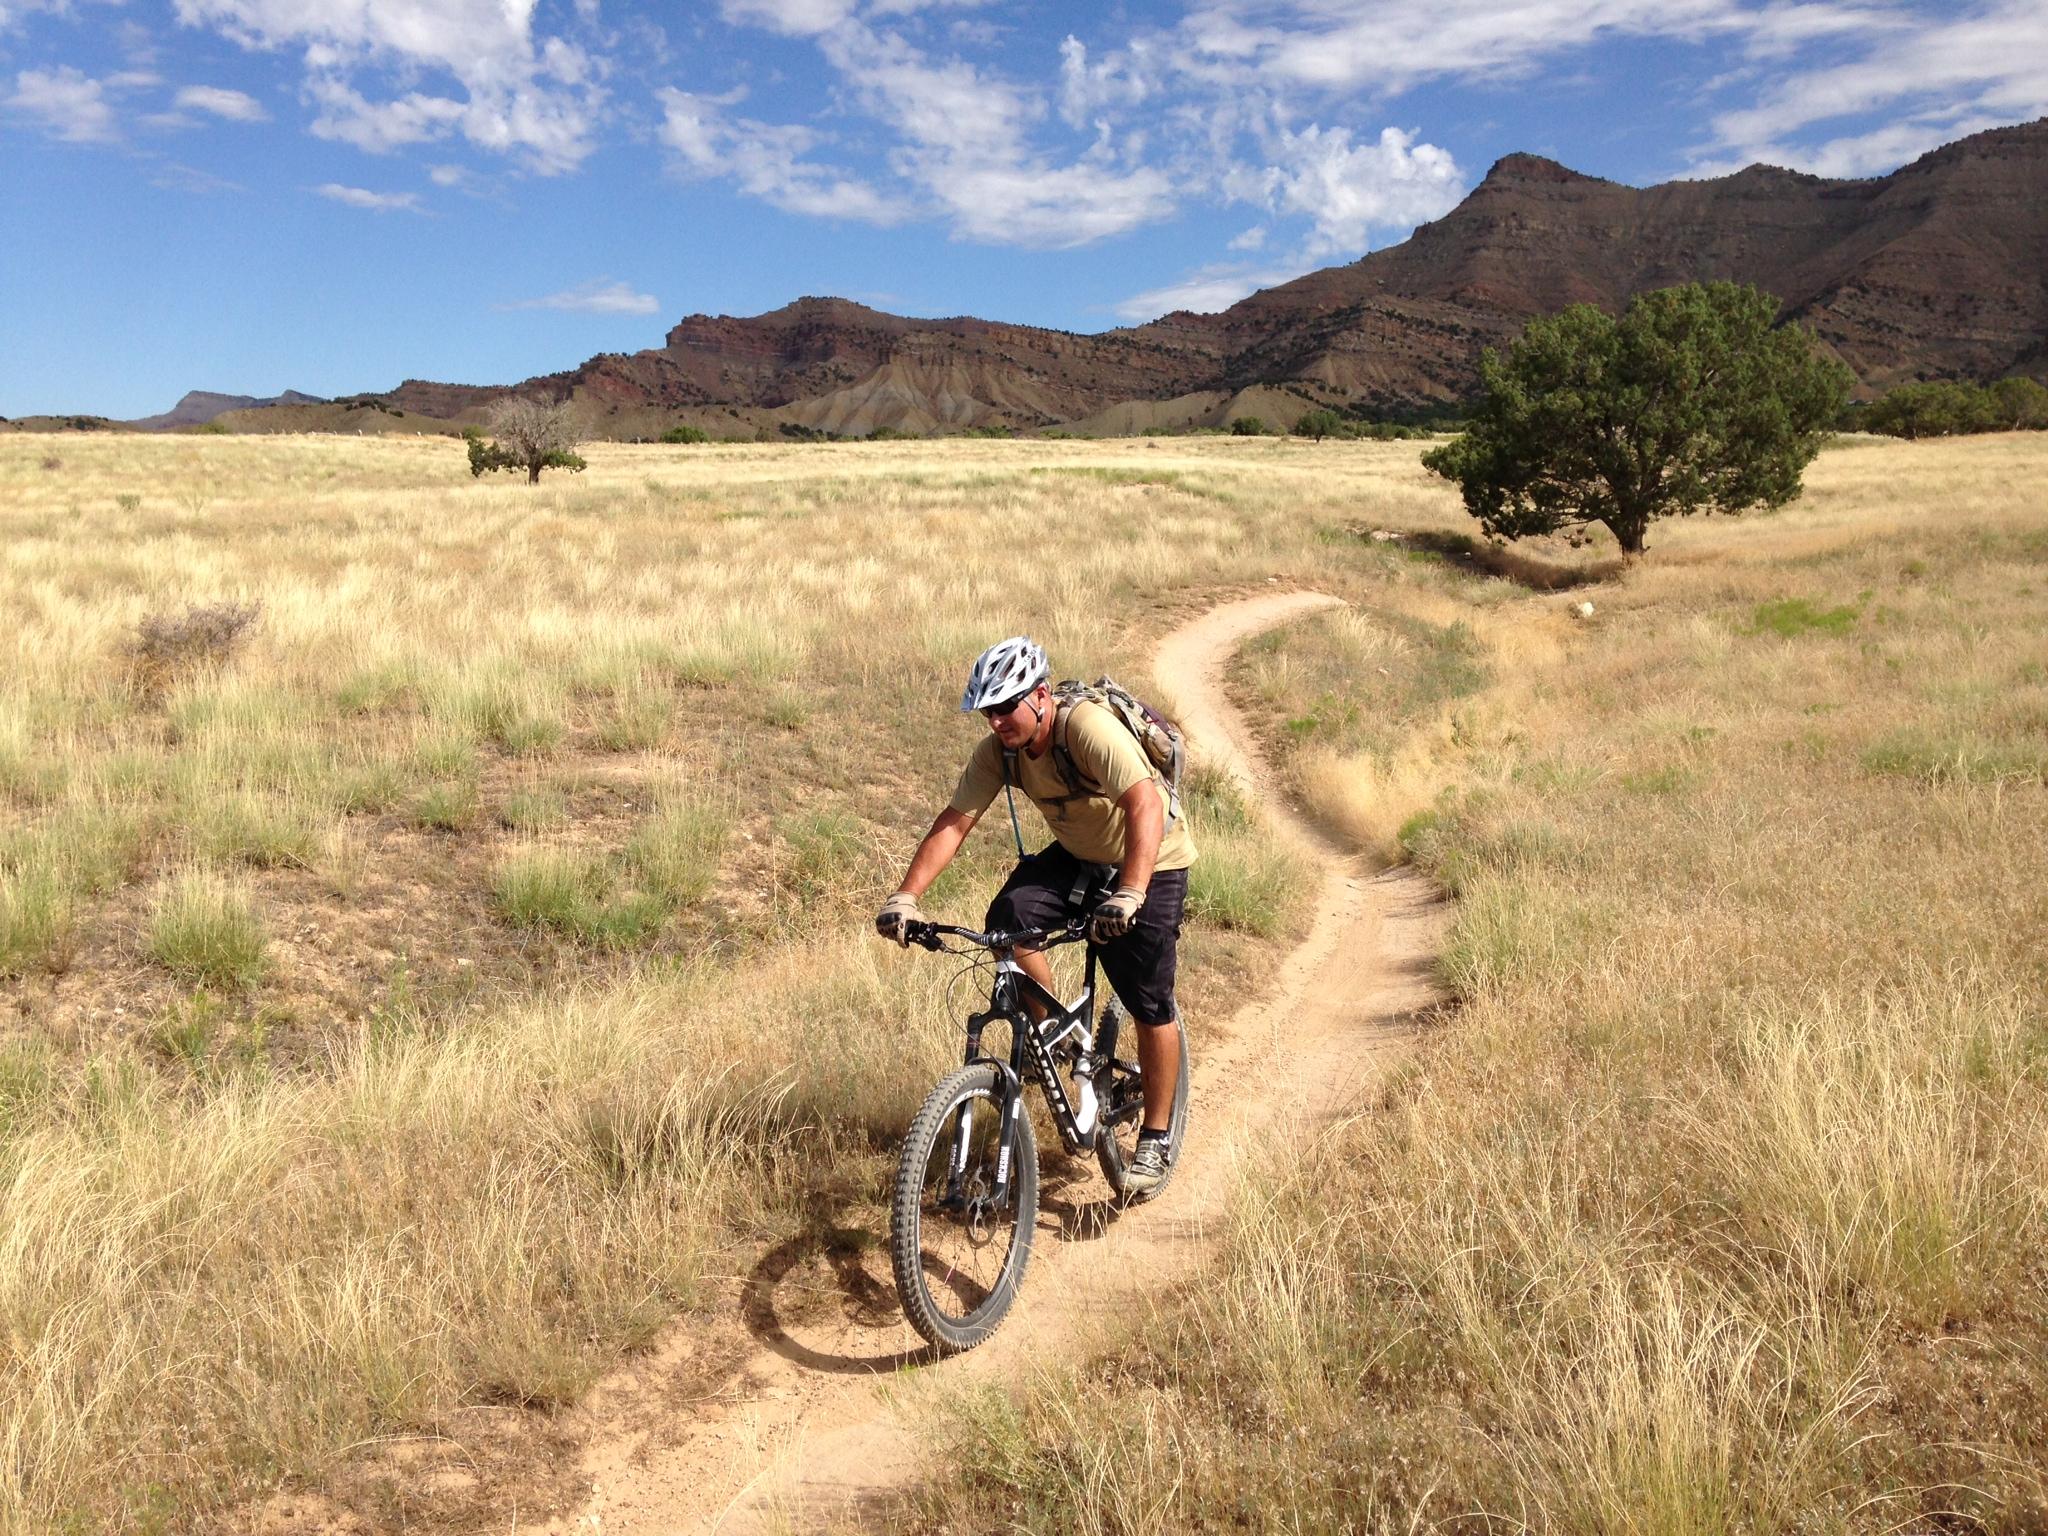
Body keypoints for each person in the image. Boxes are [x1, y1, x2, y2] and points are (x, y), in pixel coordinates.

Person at [875, 636, 1197, 1193]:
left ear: (1041, 696)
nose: (997, 721)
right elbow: (956, 820)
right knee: (1007, 920)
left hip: (1152, 859)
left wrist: (1131, 891)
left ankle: (1157, 1136)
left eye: (1006, 707)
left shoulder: (1087, 729)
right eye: (988, 711)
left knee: (1149, 1000)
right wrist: (906, 896)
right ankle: (1059, 1037)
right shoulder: (998, 753)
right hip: (1079, 856)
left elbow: (1144, 802)